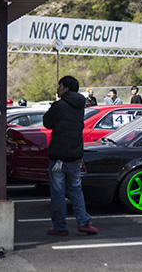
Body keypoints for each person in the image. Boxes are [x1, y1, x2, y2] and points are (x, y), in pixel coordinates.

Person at [43, 76, 98, 236]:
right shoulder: (80, 105)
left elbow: (47, 122)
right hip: (75, 154)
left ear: (66, 88)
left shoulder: (59, 106)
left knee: (58, 192)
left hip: (58, 156)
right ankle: (84, 222)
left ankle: (60, 226)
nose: (57, 89)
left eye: (59, 86)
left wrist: (53, 107)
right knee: (76, 189)